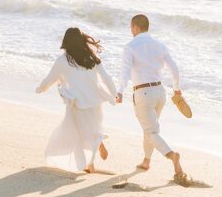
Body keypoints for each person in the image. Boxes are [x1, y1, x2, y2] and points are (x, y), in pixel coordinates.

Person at [35, 27, 119, 173]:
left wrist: (40, 89)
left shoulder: (62, 61)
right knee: (92, 129)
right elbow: (106, 78)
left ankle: (94, 151)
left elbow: (50, 79)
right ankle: (92, 157)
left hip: (77, 104)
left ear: (65, 42)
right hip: (95, 101)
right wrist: (115, 94)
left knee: (77, 135)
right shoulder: (92, 57)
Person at [116, 14, 188, 181]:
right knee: (150, 129)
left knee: (151, 131)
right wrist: (176, 90)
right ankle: (146, 161)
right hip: (160, 92)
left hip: (143, 93)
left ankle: (172, 156)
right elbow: (174, 69)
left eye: (130, 27)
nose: (130, 30)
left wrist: (119, 91)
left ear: (135, 27)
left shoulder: (130, 46)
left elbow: (125, 72)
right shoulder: (159, 45)